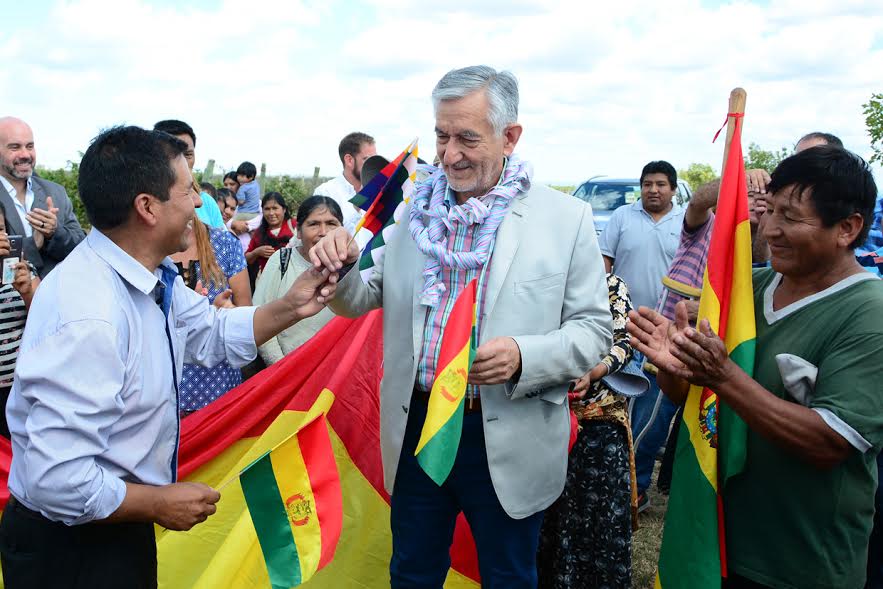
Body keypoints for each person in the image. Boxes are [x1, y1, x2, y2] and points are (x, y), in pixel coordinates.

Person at [310, 65, 612, 588]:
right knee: (412, 571)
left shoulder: (566, 219)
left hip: (507, 430)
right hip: (418, 426)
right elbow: (358, 299)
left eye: (467, 138)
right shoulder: (411, 214)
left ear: (510, 137)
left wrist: (523, 355)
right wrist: (333, 268)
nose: (449, 155)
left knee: (508, 575)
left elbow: (593, 332)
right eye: (441, 135)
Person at [0, 125, 338, 588]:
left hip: (113, 526)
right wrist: (158, 503)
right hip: (72, 550)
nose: (199, 203)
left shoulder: (148, 279)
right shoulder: (90, 314)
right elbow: (58, 481)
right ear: (147, 208)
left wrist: (292, 304)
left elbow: (210, 330)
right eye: (188, 190)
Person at [628, 146, 883, 588]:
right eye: (769, 211)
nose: (771, 230)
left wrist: (723, 377)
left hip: (800, 560)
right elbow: (700, 403)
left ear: (848, 228)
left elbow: (829, 442)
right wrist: (676, 366)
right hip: (718, 541)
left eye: (792, 217)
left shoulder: (868, 315)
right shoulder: (749, 289)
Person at [537, 273, 642, 589]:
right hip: (543, 418)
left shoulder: (609, 284)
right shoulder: (542, 280)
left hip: (598, 426)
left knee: (590, 524)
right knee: (546, 521)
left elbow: (624, 344)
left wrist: (594, 370)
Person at [597, 159, 684, 511]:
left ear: (673, 189)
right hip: (625, 329)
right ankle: (614, 480)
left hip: (667, 335)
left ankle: (638, 487)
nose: (653, 189)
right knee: (618, 407)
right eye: (648, 183)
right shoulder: (622, 218)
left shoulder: (687, 224)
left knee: (651, 416)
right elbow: (604, 265)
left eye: (661, 184)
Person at [172, 214, 252, 414]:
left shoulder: (224, 243)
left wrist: (223, 314)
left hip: (217, 388)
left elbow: (245, 312)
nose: (197, 201)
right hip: (164, 394)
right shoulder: (146, 246)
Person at [254, 196, 342, 365]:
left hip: (333, 378)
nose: (323, 231)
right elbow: (259, 315)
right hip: (283, 369)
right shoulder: (281, 260)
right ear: (299, 232)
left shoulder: (351, 269)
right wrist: (282, 367)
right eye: (313, 224)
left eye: (331, 223)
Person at [0, 116, 85, 278]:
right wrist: (34, 244)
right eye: (15, 147)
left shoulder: (55, 192)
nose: (25, 154)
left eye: (30, 146)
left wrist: (55, 233)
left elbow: (80, 247)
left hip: (56, 297)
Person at [0, 202, 40, 438]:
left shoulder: (22, 269)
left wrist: (26, 292)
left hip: (21, 388)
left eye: (1, 228)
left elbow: (47, 322)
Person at [153, 120, 224, 229]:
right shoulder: (149, 201)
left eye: (188, 155)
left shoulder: (207, 202)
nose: (183, 162)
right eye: (175, 154)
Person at [313, 131, 377, 234]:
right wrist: (359, 204)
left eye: (375, 159)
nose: (373, 164)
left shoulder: (379, 190)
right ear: (349, 160)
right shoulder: (325, 193)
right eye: (367, 159)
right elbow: (327, 235)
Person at [245, 192, 295, 282]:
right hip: (267, 282)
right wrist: (256, 252)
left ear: (284, 209)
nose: (271, 213)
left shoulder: (294, 227)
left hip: (291, 281)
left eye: (275, 208)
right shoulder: (259, 233)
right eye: (267, 209)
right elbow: (246, 259)